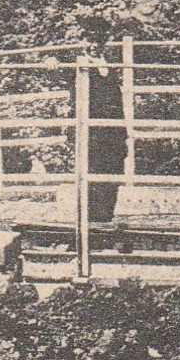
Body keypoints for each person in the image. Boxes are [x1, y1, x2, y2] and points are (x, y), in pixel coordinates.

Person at [76, 15, 127, 222]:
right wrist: (51, 64)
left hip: (112, 130)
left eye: (99, 41)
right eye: (90, 40)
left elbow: (116, 96)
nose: (94, 45)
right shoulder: (78, 62)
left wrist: (123, 132)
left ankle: (105, 221)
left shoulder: (110, 63)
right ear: (82, 40)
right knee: (91, 176)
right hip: (91, 131)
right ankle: (89, 226)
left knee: (111, 175)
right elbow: (58, 74)